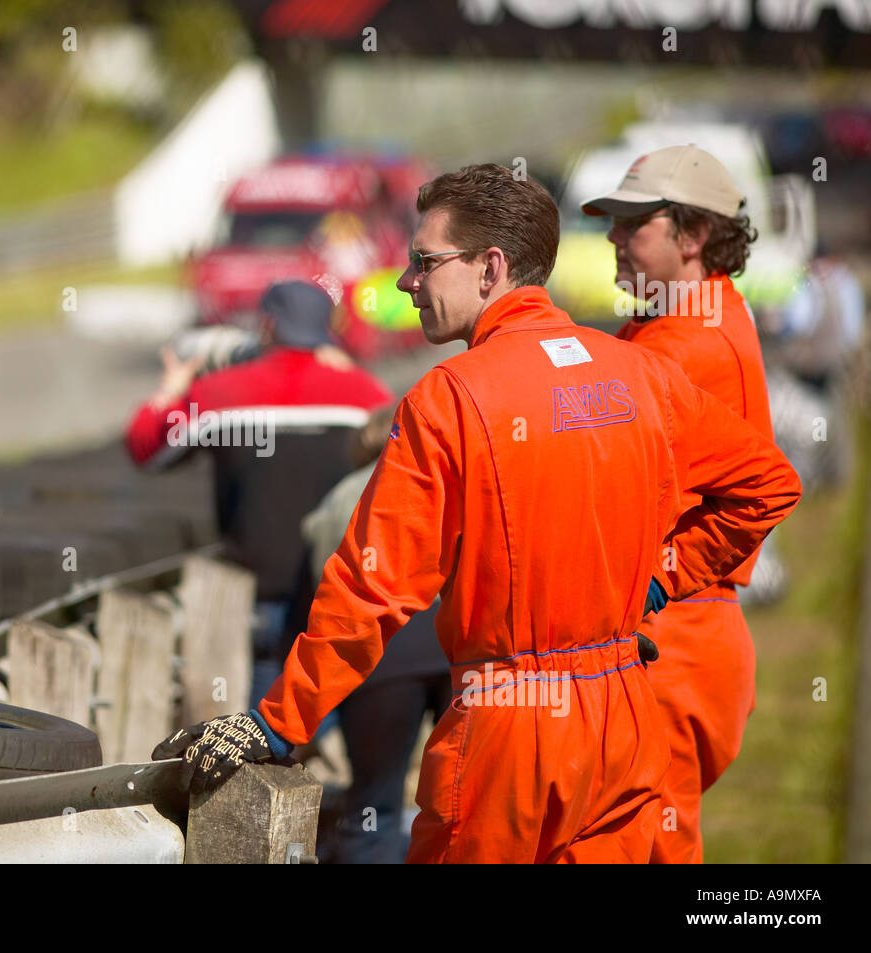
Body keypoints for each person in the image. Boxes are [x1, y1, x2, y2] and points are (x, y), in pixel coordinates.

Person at [152, 163, 802, 863]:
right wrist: (661, 580)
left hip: (508, 737)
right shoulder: (636, 370)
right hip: (627, 720)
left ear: (491, 268)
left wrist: (280, 723)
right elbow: (769, 482)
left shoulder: (452, 398)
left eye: (425, 262)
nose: (406, 282)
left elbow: (373, 587)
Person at [581, 143, 781, 863]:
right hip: (690, 633)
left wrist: (664, 574)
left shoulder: (683, 346)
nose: (612, 237)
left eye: (633, 221)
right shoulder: (690, 316)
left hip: (671, 634)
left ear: (692, 235)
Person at [125, 279, 393, 710]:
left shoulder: (217, 395)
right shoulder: (366, 394)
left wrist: (171, 388)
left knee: (269, 727)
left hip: (256, 598)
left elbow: (145, 446)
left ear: (267, 326)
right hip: (341, 592)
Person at [292, 403, 448, 864]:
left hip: (378, 656)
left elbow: (312, 598)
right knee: (454, 798)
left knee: (373, 805)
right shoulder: (438, 484)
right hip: (452, 647)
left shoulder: (338, 498)